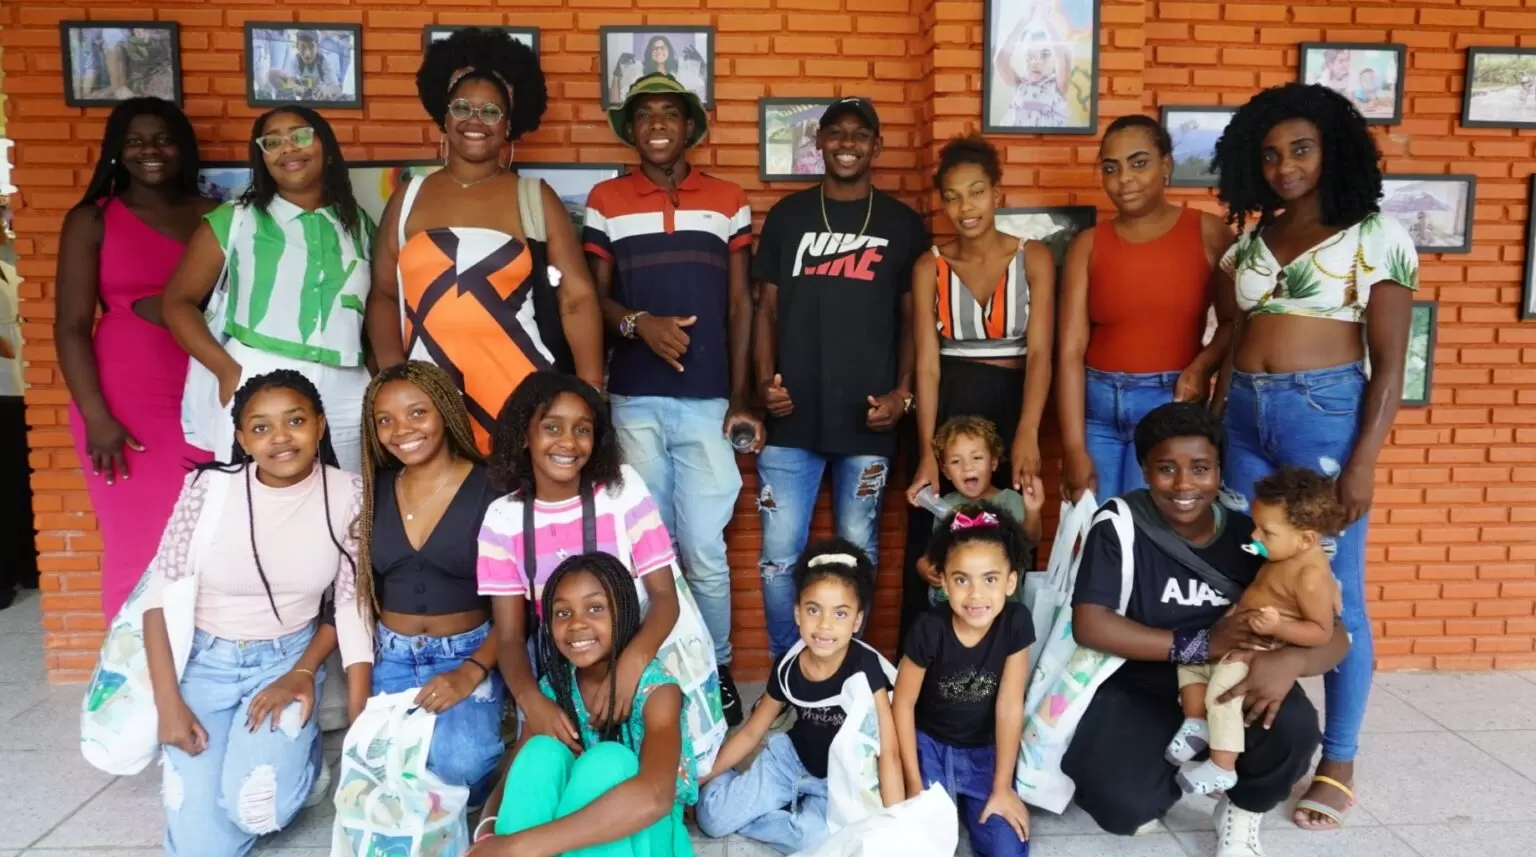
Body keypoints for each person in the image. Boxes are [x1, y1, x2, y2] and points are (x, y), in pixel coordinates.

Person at [1210, 83, 1419, 831]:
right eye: (1270, 154)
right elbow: (1233, 331)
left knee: (1334, 591)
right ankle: (1253, 732)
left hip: (1323, 420)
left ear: (1334, 149)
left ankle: (1340, 757)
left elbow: (1389, 365)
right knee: (1255, 573)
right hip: (1243, 419)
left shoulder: (1375, 234)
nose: (1285, 166)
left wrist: (1363, 462)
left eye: (1300, 149)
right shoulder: (1252, 240)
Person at [1061, 403, 1348, 857]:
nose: (1184, 484)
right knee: (1122, 807)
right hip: (1140, 685)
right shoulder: (1120, 526)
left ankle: (1242, 805)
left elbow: (1337, 636)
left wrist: (1291, 661)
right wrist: (1201, 643)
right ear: (1144, 470)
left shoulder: (1255, 536)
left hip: (1231, 680)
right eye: (1166, 469)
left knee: (1292, 726)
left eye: (1200, 468)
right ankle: (1172, 770)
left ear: (1219, 471)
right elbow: (1091, 625)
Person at [584, 72, 761, 727]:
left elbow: (741, 304)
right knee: (647, 552)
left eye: (669, 113)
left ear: (690, 126)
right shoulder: (606, 199)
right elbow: (593, 297)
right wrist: (640, 324)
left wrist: (740, 397)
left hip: (708, 400)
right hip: (634, 399)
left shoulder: (728, 200)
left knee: (705, 550)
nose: (657, 124)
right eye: (644, 114)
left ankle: (715, 668)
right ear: (630, 129)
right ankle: (656, 668)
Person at [139, 370, 372, 856]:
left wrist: (351, 713)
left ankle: (305, 760)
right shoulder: (207, 488)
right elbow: (159, 600)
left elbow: (350, 605)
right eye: (261, 427)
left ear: (320, 425)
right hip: (203, 662)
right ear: (242, 439)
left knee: (256, 808)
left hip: (285, 661)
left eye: (295, 421)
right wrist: (169, 704)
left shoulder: (349, 493)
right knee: (202, 849)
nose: (280, 437)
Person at [368, 28, 605, 452]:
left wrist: (589, 394)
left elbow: (577, 299)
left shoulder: (534, 197)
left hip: (520, 391)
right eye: (462, 107)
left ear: (508, 125)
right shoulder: (409, 198)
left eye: (491, 111)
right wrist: (394, 379)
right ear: (444, 118)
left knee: (515, 487)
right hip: (428, 398)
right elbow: (384, 295)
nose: (474, 119)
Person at [752, 97, 927, 661]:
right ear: (819, 141)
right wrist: (764, 384)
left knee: (858, 556)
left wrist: (903, 394)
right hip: (790, 420)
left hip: (870, 421)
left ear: (876, 145)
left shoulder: (901, 223)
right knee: (780, 558)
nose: (847, 143)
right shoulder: (788, 216)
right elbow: (765, 311)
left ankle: (846, 671)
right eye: (836, 132)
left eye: (859, 134)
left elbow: (913, 321)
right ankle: (788, 672)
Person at [55, 98, 218, 620]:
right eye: (136, 141)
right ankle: (131, 666)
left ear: (183, 148)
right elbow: (71, 327)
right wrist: (97, 417)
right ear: (117, 151)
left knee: (207, 541)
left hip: (205, 393)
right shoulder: (92, 220)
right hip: (123, 405)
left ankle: (200, 661)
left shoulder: (216, 215)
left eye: (164, 139)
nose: (151, 150)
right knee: (137, 543)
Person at [476, 371, 682, 751]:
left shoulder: (622, 490)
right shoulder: (502, 519)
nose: (568, 442)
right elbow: (509, 636)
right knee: (548, 760)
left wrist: (630, 665)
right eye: (552, 427)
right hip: (559, 668)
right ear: (524, 436)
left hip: (642, 649)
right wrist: (531, 700)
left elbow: (666, 598)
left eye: (582, 430)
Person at [162, 106, 373, 474]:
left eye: (300, 135)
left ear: (325, 146)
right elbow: (177, 303)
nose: (288, 148)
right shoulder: (236, 219)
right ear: (262, 158)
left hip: (346, 387)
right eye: (272, 142)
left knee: (348, 496)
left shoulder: (358, 225)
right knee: (254, 496)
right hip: (259, 375)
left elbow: (377, 308)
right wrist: (227, 371)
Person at [903, 135, 1054, 646]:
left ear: (997, 194)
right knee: (938, 532)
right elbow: (926, 366)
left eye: (976, 192)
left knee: (1013, 526)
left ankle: (1007, 652)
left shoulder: (1034, 258)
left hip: (1016, 402)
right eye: (952, 197)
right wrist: (928, 453)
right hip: (951, 406)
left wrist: (1028, 431)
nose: (965, 207)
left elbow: (1040, 354)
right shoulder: (929, 265)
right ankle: (930, 653)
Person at [1056, 114, 1235, 506]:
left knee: (1154, 528)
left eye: (1139, 163)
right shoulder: (1087, 245)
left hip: (1170, 402)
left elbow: (1236, 324)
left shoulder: (1209, 232)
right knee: (1097, 528)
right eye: (1111, 168)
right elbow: (1070, 352)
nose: (1124, 179)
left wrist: (1201, 367)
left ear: (1166, 165)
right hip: (1098, 409)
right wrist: (1073, 448)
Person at [470, 552, 697, 856]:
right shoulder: (556, 687)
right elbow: (516, 772)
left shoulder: (656, 691)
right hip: (566, 841)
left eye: (595, 608)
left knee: (607, 762)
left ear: (624, 611)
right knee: (539, 753)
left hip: (647, 839)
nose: (577, 624)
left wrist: (516, 847)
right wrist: (487, 833)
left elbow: (655, 796)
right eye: (563, 613)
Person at [352, 361, 506, 807]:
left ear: (445, 410)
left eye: (417, 412)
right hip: (393, 655)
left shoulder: (491, 487)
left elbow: (519, 609)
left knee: (459, 768)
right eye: (385, 420)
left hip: (468, 651)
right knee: (386, 769)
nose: (402, 429)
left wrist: (472, 670)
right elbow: (350, 595)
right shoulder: (372, 489)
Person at [697, 540, 903, 854]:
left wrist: (897, 823)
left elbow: (888, 752)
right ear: (797, 613)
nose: (824, 625)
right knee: (711, 818)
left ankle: (779, 812)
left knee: (817, 842)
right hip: (789, 761)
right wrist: (700, 780)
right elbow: (753, 732)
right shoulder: (788, 666)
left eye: (840, 613)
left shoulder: (866, 669)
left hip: (838, 779)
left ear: (857, 621)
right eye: (813, 610)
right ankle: (754, 796)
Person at [1169, 466, 1345, 797]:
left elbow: (1322, 632)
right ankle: (1197, 724)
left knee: (1222, 692)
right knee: (1190, 663)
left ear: (1306, 538)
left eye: (1266, 532)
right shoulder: (1285, 554)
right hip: (1239, 632)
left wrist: (1279, 626)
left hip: (1258, 647)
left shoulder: (1310, 577)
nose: (1255, 537)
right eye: (1256, 527)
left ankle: (1222, 766)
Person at [894, 502, 1034, 857]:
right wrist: (914, 785)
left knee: (1007, 849)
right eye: (961, 580)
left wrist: (1002, 787)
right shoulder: (929, 629)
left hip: (984, 751)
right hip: (929, 746)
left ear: (1010, 581)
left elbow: (1010, 704)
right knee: (920, 845)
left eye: (990, 579)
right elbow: (903, 704)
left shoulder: (1016, 622)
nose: (976, 595)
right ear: (943, 580)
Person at [914, 416, 1043, 607]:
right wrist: (924, 565)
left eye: (977, 458)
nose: (968, 467)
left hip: (1003, 607)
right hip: (959, 608)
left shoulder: (1010, 500)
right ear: (946, 471)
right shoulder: (944, 504)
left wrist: (1033, 511)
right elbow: (937, 551)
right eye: (956, 461)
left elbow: (1028, 541)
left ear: (993, 462)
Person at [995, 11, 1072, 128]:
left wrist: (1046, 21)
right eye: (1030, 55)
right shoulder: (1020, 84)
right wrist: (1024, 21)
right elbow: (1000, 61)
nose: (1035, 61)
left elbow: (1061, 55)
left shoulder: (1058, 87)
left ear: (1054, 62)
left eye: (1044, 55)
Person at [266, 30, 338, 101]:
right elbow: (290, 81)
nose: (307, 53)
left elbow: (335, 88)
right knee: (272, 74)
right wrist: (300, 87)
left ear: (318, 47)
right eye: (303, 47)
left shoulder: (324, 62)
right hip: (304, 92)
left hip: (319, 95)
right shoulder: (294, 62)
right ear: (297, 46)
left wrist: (326, 92)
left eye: (311, 47)